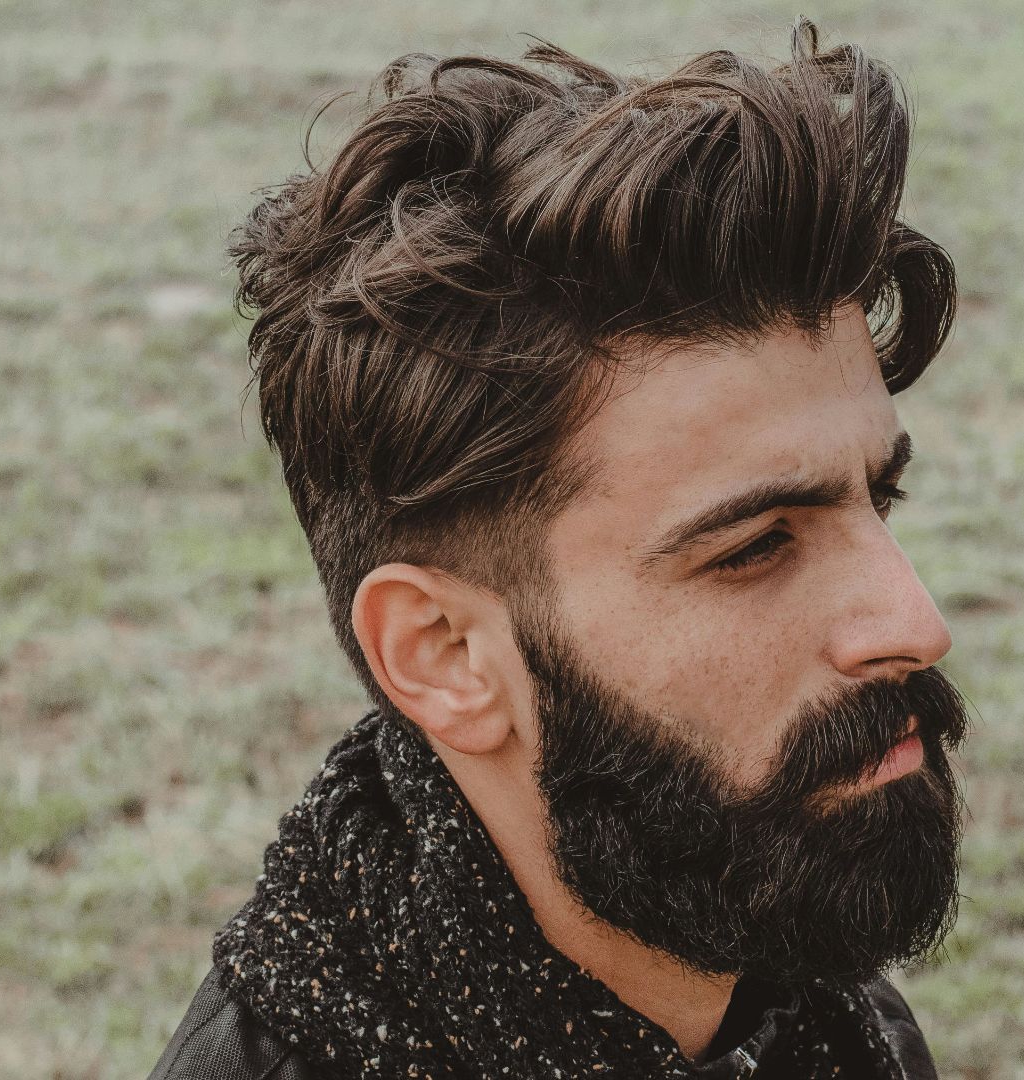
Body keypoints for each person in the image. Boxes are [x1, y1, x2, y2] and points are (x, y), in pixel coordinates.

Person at [148, 17, 970, 1079]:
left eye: (878, 497)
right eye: (757, 546)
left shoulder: (797, 989)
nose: (917, 625)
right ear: (444, 652)